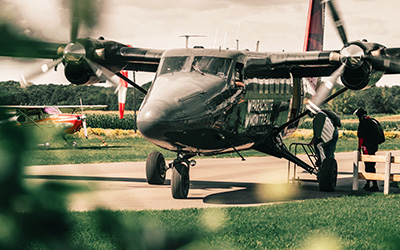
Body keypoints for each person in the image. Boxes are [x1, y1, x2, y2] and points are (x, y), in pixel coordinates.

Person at [354, 107, 379, 191]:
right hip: (374, 146)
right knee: (370, 165)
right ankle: (368, 183)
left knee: (369, 165)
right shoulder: (371, 121)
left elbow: (361, 137)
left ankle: (374, 185)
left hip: (367, 147)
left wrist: (359, 148)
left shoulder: (363, 123)